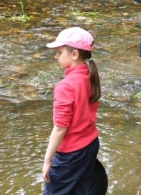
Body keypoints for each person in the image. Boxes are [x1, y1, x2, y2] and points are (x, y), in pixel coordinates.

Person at [42, 26, 101, 195]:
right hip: (90, 144)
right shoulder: (90, 75)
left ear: (74, 54)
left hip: (70, 153)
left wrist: (47, 160)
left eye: (60, 52)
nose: (56, 56)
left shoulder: (65, 86)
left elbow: (60, 128)